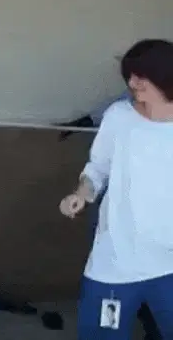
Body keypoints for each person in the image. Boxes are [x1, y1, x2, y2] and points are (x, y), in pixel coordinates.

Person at [59, 38, 173, 340]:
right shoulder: (118, 116)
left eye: (142, 76)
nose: (132, 83)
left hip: (169, 265)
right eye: (130, 75)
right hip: (114, 265)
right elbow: (97, 168)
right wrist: (81, 193)